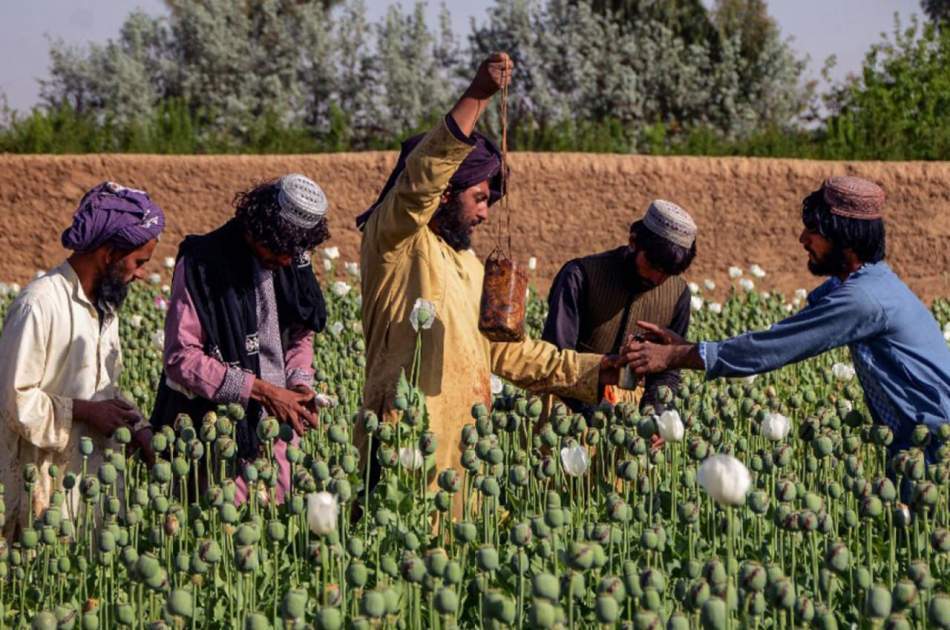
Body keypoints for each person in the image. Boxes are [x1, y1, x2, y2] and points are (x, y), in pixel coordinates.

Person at [354, 52, 635, 510]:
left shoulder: (467, 264)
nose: (485, 212)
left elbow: (503, 349)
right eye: (479, 197)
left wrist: (592, 369)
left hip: (464, 445)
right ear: (446, 192)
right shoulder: (395, 241)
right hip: (405, 437)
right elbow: (420, 179)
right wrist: (478, 96)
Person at [627, 176, 950, 456]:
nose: (802, 239)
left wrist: (675, 356)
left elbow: (773, 348)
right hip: (915, 446)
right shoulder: (869, 284)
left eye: (813, 231)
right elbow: (777, 335)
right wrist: (688, 347)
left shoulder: (863, 300)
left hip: (935, 445)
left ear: (844, 239)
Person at [150, 174, 330, 503]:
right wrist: (261, 392)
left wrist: (299, 384)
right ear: (256, 230)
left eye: (295, 252)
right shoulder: (202, 265)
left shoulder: (289, 261)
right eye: (280, 250)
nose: (287, 261)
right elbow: (181, 358)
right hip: (215, 438)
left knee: (274, 535)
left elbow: (300, 333)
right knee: (221, 536)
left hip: (277, 437)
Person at [0, 182, 164, 536]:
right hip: (43, 490)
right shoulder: (39, 304)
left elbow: (105, 391)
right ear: (108, 254)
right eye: (138, 262)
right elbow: (14, 401)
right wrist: (85, 411)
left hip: (94, 483)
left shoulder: (105, 308)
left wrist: (141, 429)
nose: (141, 274)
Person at [542, 199, 696, 415]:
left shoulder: (678, 295)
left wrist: (658, 412)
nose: (656, 278)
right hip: (566, 409)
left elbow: (667, 368)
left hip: (630, 419)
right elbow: (554, 358)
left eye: (668, 272)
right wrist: (595, 410)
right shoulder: (580, 276)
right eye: (652, 265)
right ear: (633, 241)